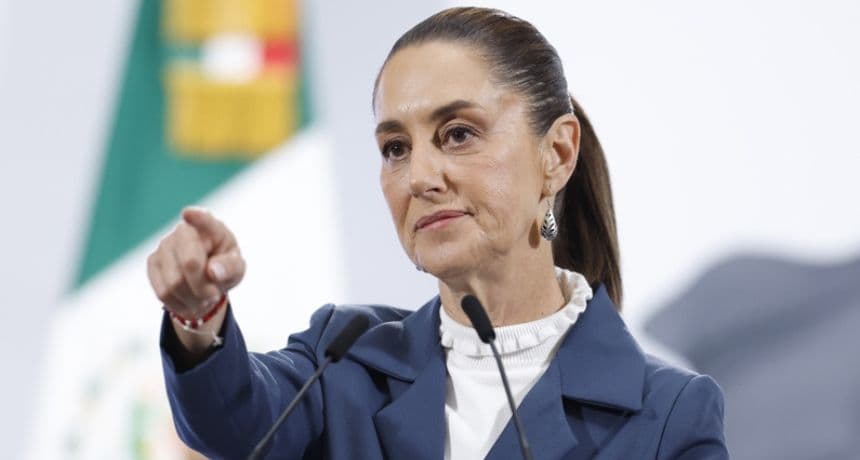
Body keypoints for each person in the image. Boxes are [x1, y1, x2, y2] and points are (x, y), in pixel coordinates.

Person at [149, 7, 728, 460]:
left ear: (556, 153)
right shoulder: (345, 359)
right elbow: (230, 425)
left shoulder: (668, 414)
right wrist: (199, 314)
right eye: (395, 148)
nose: (420, 177)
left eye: (457, 134)